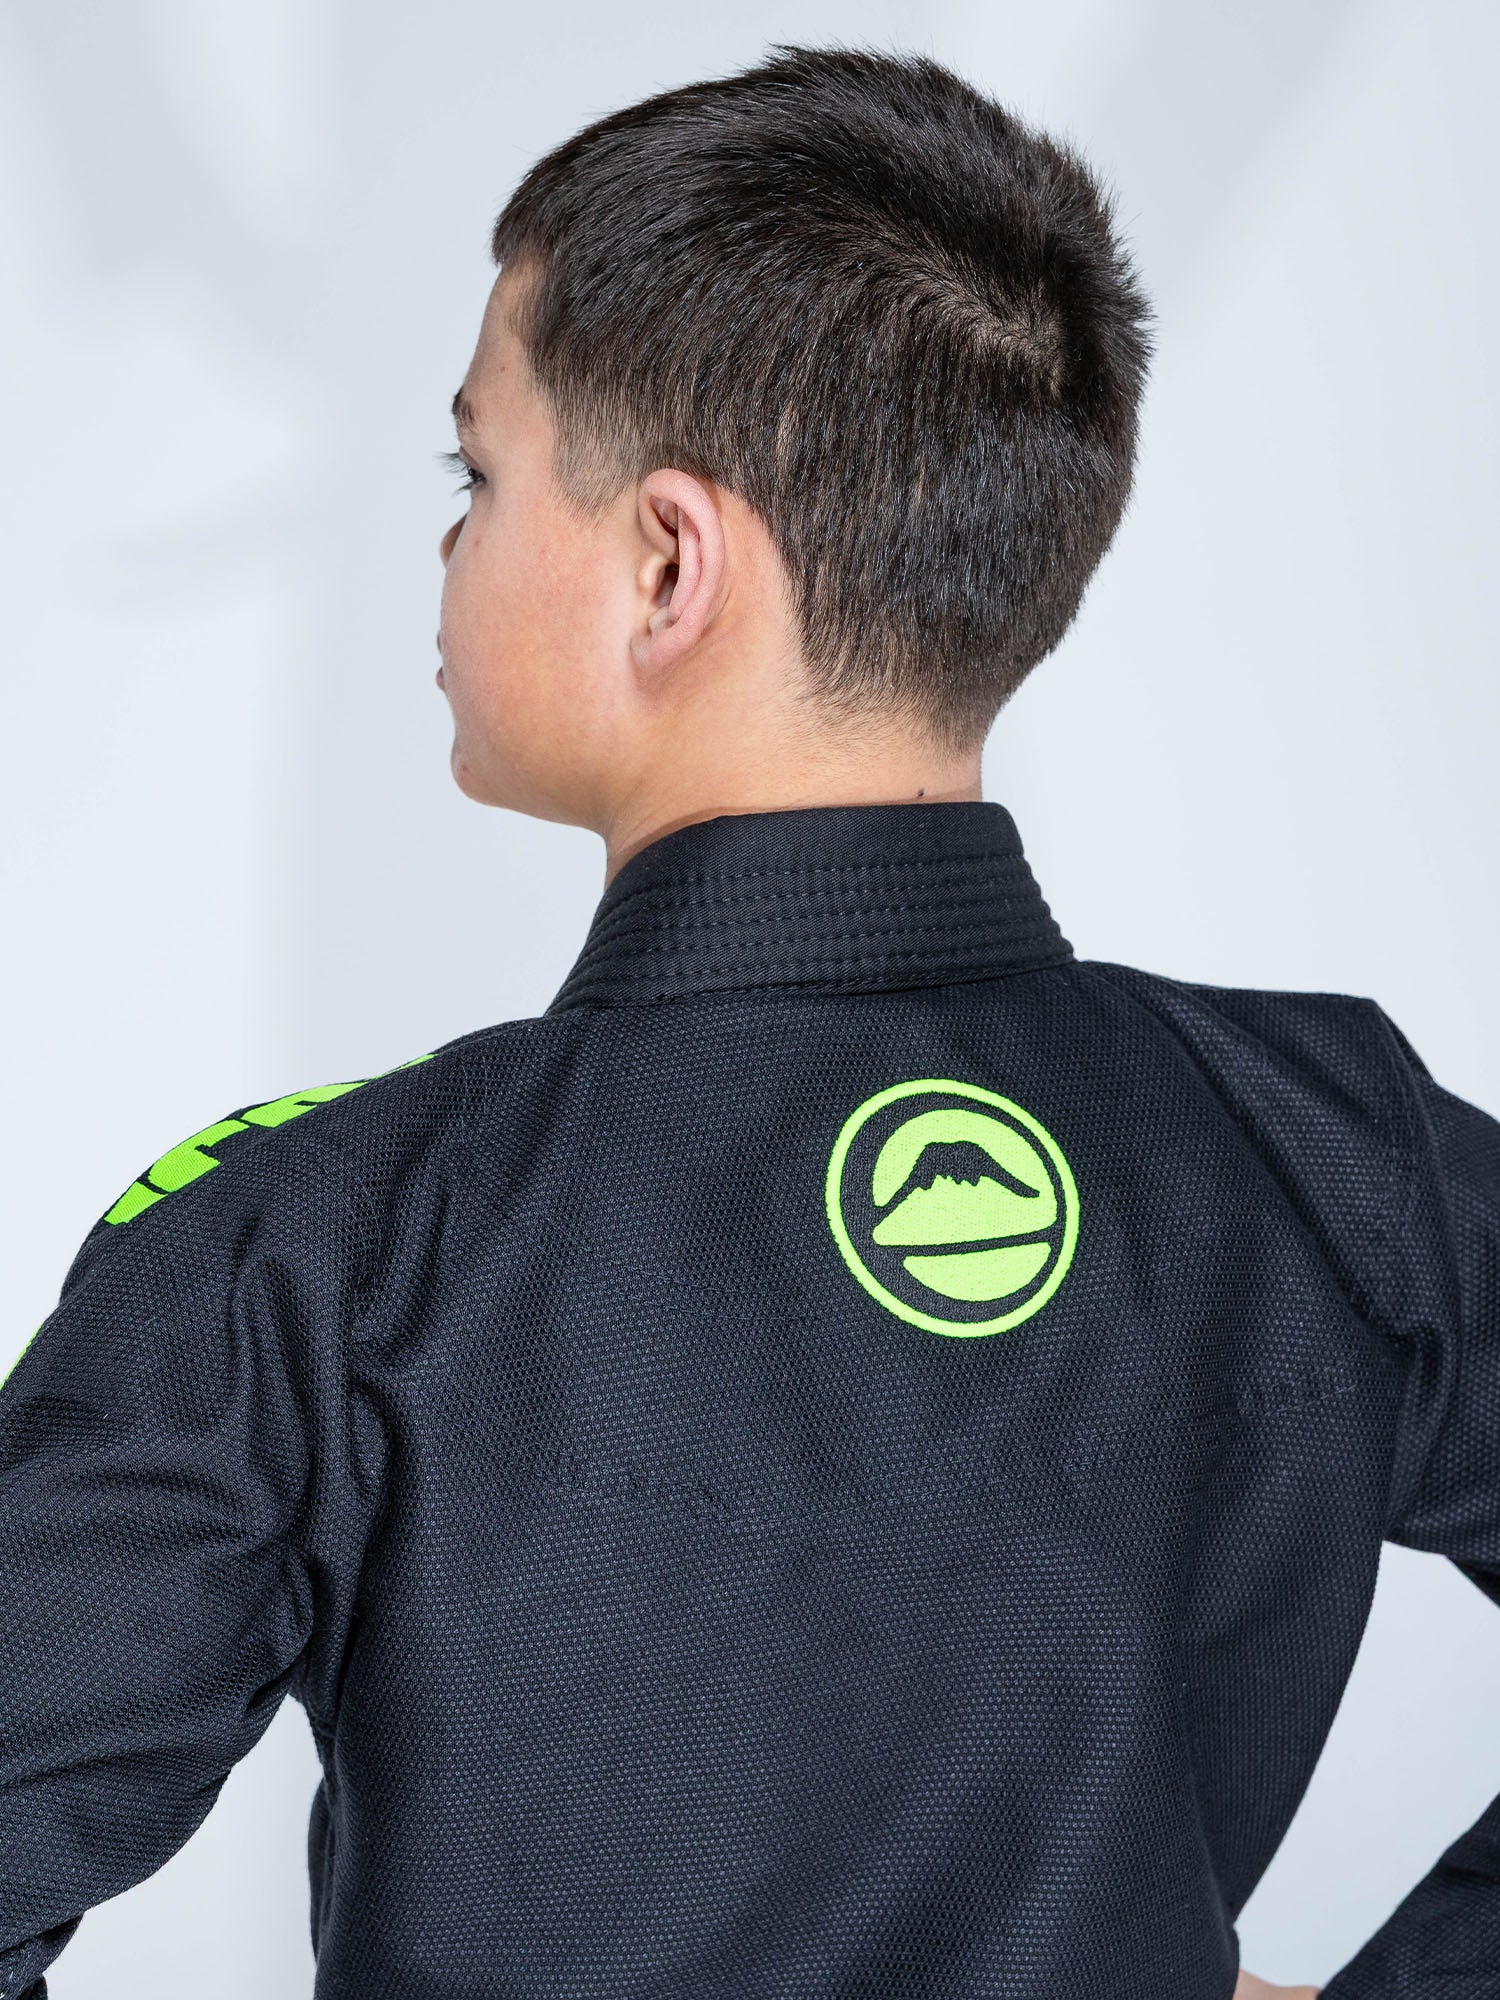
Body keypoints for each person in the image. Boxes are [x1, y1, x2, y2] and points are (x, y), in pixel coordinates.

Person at [1, 41, 1494, 2000]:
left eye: (479, 469)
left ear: (668, 564)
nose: (450, 543)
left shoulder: (323, 1245)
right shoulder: (1328, 1146)